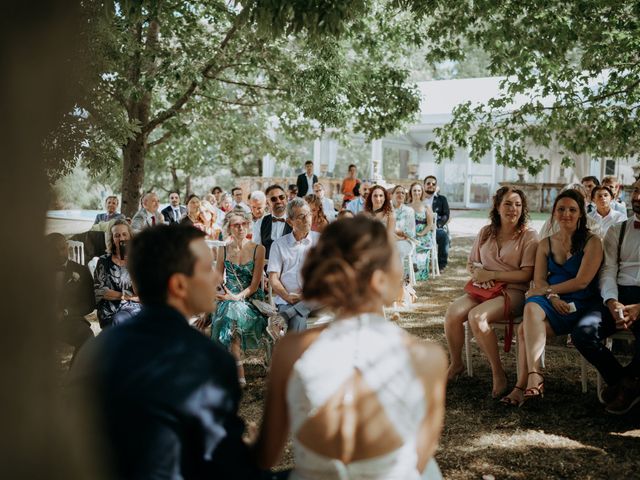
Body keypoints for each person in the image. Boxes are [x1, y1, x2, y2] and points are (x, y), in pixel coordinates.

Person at [253, 216, 447, 480]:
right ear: (380, 280)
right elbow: (420, 458)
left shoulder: (292, 350)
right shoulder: (428, 357)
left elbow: (265, 456)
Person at [68, 225, 262, 479]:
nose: (217, 279)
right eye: (207, 270)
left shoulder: (94, 349)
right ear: (179, 285)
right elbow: (223, 466)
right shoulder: (207, 360)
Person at [444, 186, 539, 398]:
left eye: (518, 205)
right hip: (482, 288)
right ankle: (457, 364)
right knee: (452, 313)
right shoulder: (486, 232)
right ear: (497, 207)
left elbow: (526, 275)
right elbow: (471, 263)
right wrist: (478, 274)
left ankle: (498, 374)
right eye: (507, 203)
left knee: (477, 317)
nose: (513, 209)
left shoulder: (529, 235)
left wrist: (492, 275)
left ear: (523, 209)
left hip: (513, 292)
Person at [518, 189, 602, 403]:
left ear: (581, 214)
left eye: (572, 210)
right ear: (554, 212)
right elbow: (539, 281)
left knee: (523, 330)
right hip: (550, 302)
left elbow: (581, 281)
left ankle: (523, 385)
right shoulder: (545, 243)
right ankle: (533, 378)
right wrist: (552, 297)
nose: (566, 214)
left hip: (580, 304)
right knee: (530, 307)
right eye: (561, 209)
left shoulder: (593, 242)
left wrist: (548, 291)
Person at [572, 178, 640, 414]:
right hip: (617, 293)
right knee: (583, 333)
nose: (637, 197)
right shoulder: (618, 230)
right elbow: (609, 269)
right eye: (637, 191)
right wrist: (612, 301)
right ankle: (626, 382)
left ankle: (626, 386)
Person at [211, 211, 268, 387]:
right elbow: (218, 279)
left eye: (243, 223)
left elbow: (254, 285)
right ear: (229, 228)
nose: (241, 227)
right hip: (228, 297)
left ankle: (230, 370)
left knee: (230, 311)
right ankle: (237, 370)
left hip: (250, 299)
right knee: (228, 311)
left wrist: (236, 297)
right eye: (236, 225)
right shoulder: (223, 249)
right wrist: (217, 297)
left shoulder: (258, 249)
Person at [267, 198, 319, 332]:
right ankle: (297, 352)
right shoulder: (278, 245)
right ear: (290, 221)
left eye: (308, 214)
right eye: (301, 216)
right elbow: (273, 278)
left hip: (317, 299)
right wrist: (286, 296)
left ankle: (286, 315)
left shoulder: (321, 241)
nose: (307, 219)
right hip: (288, 299)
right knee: (297, 318)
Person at [46, 233, 95, 364]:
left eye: (62, 248)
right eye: (53, 250)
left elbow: (89, 303)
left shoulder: (82, 271)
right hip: (41, 321)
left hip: (68, 321)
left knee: (87, 336)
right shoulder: (39, 271)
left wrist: (66, 312)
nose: (58, 254)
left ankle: (73, 377)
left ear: (67, 247)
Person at [93, 220, 141, 328]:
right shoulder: (103, 261)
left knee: (122, 321)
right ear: (112, 239)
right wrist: (126, 296)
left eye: (124, 234)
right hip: (108, 310)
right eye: (117, 235)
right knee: (117, 321)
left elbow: (139, 293)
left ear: (130, 237)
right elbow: (100, 291)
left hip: (132, 308)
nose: (121, 239)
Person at [253, 185, 292, 259]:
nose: (278, 201)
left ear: (286, 199)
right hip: (267, 267)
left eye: (281, 197)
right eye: (274, 199)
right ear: (267, 203)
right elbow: (257, 250)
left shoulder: (296, 221)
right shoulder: (260, 223)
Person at [409, 182, 435, 281]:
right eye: (414, 190)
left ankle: (417, 273)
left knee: (418, 251)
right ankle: (408, 272)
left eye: (419, 190)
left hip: (423, 236)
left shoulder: (426, 206)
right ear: (411, 192)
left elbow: (430, 224)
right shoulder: (407, 206)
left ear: (422, 192)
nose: (416, 192)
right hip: (410, 235)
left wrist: (421, 234)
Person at [423, 176, 450, 271]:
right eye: (428, 183)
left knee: (443, 235)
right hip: (420, 228)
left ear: (436, 186)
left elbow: (446, 215)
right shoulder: (418, 198)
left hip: (435, 228)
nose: (431, 185)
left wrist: (437, 225)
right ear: (424, 185)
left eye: (433, 184)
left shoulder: (442, 199)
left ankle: (441, 264)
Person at [392, 185, 417, 278]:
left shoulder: (409, 211)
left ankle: (399, 280)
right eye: (397, 192)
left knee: (397, 248)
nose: (400, 195)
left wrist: (398, 235)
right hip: (390, 239)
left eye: (403, 193)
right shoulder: (387, 209)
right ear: (392, 195)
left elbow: (410, 233)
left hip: (406, 241)